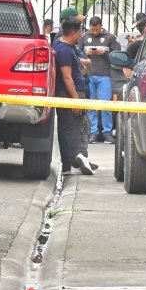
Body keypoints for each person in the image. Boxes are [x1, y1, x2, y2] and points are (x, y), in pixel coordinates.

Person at [53, 18, 94, 175]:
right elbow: (67, 77)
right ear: (75, 32)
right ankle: (71, 161)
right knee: (72, 130)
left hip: (70, 94)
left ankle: (69, 164)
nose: (82, 35)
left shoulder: (63, 46)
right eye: (81, 32)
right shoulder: (64, 50)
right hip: (71, 95)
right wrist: (76, 99)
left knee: (69, 129)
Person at [79, 16, 120, 143]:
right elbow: (77, 53)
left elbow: (117, 56)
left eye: (97, 29)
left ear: (101, 26)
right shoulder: (84, 37)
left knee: (105, 104)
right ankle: (93, 132)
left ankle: (107, 132)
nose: (95, 32)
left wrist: (105, 53)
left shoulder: (110, 37)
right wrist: (87, 54)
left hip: (104, 75)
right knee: (91, 105)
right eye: (92, 30)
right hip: (89, 75)